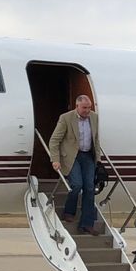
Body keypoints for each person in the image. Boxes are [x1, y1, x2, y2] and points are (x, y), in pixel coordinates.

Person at [48, 95, 104, 235]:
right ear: (77, 106)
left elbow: (96, 140)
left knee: (90, 188)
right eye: (84, 108)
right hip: (72, 157)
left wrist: (99, 159)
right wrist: (55, 159)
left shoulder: (94, 117)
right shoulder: (66, 118)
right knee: (77, 184)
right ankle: (69, 211)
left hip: (88, 156)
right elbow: (54, 140)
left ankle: (87, 224)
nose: (87, 111)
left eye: (89, 107)